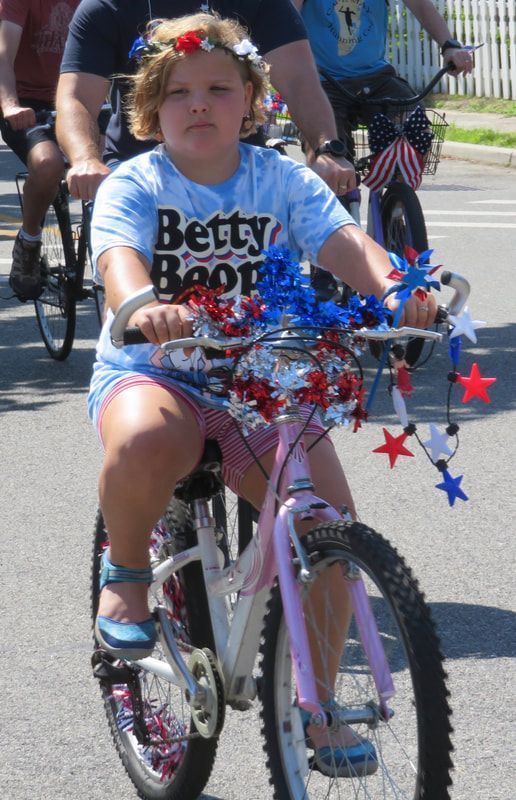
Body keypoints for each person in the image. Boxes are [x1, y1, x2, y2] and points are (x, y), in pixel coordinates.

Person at [88, 12, 435, 776]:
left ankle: (319, 709)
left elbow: (344, 243)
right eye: (180, 92)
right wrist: (144, 305)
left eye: (219, 88)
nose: (200, 104)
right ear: (151, 107)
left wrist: (395, 285)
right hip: (158, 370)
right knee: (148, 439)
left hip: (258, 379)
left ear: (251, 100)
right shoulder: (134, 183)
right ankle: (128, 577)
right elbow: (118, 261)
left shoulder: (279, 178)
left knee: (326, 521)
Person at [55, 0, 358, 204]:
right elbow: (76, 96)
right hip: (137, 171)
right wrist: (85, 159)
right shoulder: (106, 6)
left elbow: (299, 80)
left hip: (242, 169)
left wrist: (326, 149)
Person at [292, 0, 474, 300]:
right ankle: (322, 265)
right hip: (322, 79)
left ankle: (396, 210)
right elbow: (287, 15)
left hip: (377, 77)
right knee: (326, 152)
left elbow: (421, 6)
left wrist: (449, 45)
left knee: (414, 124)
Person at [0, 0, 80, 301]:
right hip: (30, 104)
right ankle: (29, 241)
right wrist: (10, 105)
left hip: (82, 98)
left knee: (117, 164)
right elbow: (3, 56)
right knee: (48, 164)